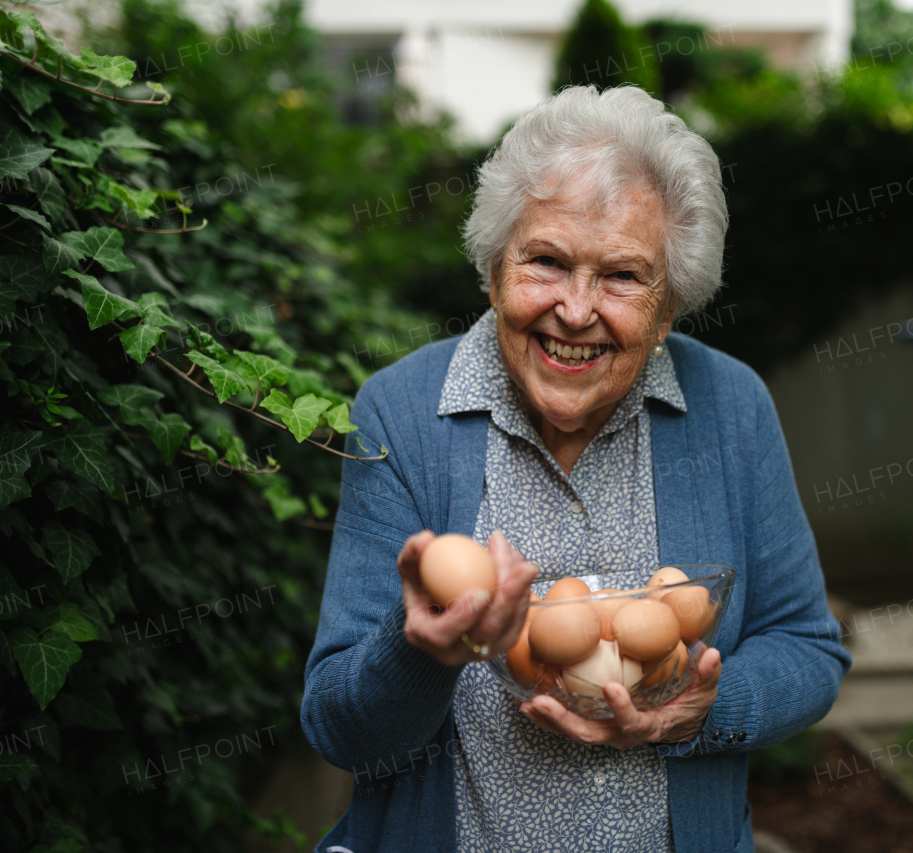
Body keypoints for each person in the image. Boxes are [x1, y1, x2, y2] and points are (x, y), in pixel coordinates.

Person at [301, 84, 850, 853]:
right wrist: (420, 648)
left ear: (668, 312)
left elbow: (807, 646)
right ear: (494, 272)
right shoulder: (402, 412)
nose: (576, 309)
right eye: (547, 261)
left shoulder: (731, 408)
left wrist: (704, 706)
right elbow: (337, 724)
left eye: (622, 276)